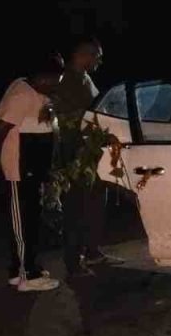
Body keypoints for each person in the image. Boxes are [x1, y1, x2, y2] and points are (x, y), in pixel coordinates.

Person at [0, 54, 64, 292]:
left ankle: (19, 270)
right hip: (18, 168)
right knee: (23, 223)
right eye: (54, 81)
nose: (56, 86)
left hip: (31, 168)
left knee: (30, 219)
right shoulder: (22, 95)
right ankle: (28, 276)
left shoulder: (34, 89)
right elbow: (0, 130)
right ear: (42, 78)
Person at [53, 36, 123, 278]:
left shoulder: (85, 79)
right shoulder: (66, 81)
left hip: (91, 157)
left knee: (95, 205)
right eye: (97, 56)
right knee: (76, 210)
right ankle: (74, 263)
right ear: (83, 54)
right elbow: (64, 120)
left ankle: (92, 252)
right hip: (75, 158)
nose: (99, 61)